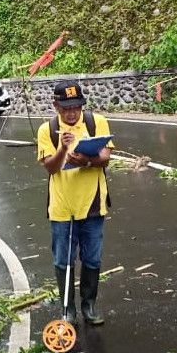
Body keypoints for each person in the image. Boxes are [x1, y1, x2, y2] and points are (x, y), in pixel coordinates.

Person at [36, 80, 113, 326]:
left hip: (92, 204)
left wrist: (86, 160)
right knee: (63, 260)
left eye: (76, 107)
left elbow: (105, 157)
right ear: (56, 106)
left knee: (92, 258)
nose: (72, 112)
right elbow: (50, 167)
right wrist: (63, 147)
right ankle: (67, 309)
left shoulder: (95, 122)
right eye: (66, 107)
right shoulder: (46, 130)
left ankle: (89, 305)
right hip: (62, 206)